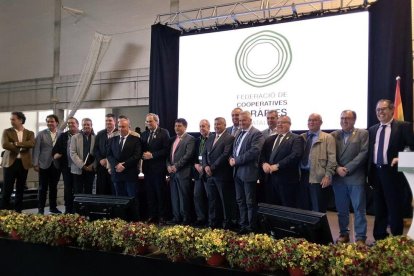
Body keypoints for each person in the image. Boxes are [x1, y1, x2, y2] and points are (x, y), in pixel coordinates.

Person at [368, 99, 414, 240]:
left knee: (394, 208)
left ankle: (396, 240)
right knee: (379, 207)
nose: (380, 112)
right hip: (376, 172)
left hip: (393, 173)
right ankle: (380, 237)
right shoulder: (373, 129)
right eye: (378, 110)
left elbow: (412, 147)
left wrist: (402, 158)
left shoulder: (403, 126)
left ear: (392, 110)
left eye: (383, 109)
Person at [331, 110, 368, 244]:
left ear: (354, 120)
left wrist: (347, 169)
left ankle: (360, 237)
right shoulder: (334, 135)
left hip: (355, 177)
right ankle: (344, 234)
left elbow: (363, 153)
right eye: (342, 118)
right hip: (338, 178)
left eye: (347, 118)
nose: (344, 121)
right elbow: (330, 155)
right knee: (341, 210)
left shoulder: (363, 133)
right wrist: (337, 168)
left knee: (359, 210)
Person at [229, 111, 265, 233]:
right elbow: (234, 150)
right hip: (237, 172)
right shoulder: (239, 132)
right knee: (240, 201)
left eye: (244, 120)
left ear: (250, 120)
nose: (241, 122)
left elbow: (254, 152)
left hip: (249, 173)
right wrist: (231, 159)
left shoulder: (257, 134)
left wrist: (236, 160)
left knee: (250, 202)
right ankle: (243, 225)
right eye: (239, 121)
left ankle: (251, 227)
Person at [260, 116, 303, 207]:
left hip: (286, 181)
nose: (279, 124)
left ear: (289, 124)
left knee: (287, 209)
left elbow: (295, 155)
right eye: (278, 122)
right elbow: (262, 154)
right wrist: (264, 163)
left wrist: (278, 165)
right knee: (272, 208)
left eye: (283, 122)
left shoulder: (296, 138)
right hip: (270, 180)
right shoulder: (270, 139)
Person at [203, 117, 236, 229]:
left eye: (219, 124)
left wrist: (212, 167)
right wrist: (205, 166)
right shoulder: (211, 137)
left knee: (224, 201)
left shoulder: (229, 138)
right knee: (212, 200)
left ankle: (227, 224)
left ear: (225, 125)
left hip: (222, 175)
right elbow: (204, 154)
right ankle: (213, 223)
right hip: (210, 175)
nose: (216, 126)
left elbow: (225, 155)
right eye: (215, 124)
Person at [299, 113, 336, 212]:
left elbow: (332, 159)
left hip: (318, 178)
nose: (311, 122)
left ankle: (319, 228)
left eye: (314, 120)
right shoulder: (301, 137)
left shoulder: (328, 138)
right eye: (309, 120)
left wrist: (328, 175)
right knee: (304, 209)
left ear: (321, 123)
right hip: (301, 176)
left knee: (318, 209)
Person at [1, 111, 35, 212]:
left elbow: (32, 143)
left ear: (20, 120)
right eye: (11, 119)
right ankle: (4, 211)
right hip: (10, 163)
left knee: (21, 189)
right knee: (7, 189)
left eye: (13, 119)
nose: (11, 121)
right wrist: (21, 147)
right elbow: (5, 145)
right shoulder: (7, 131)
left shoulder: (30, 133)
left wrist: (16, 143)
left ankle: (18, 211)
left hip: (23, 163)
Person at [141, 113, 170, 224]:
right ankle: (152, 215)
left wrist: (152, 155)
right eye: (147, 121)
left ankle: (162, 216)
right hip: (147, 170)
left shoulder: (164, 133)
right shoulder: (144, 134)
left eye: (150, 121)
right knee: (150, 194)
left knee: (160, 193)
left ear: (156, 122)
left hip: (159, 169)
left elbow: (166, 150)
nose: (148, 123)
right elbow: (140, 150)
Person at [167, 118, 195, 225]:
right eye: (175, 126)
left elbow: (187, 156)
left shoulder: (190, 139)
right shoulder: (173, 139)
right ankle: (176, 217)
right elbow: (169, 156)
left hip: (183, 173)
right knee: (175, 197)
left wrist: (176, 166)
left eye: (179, 126)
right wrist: (169, 166)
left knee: (184, 197)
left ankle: (185, 219)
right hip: (173, 173)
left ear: (185, 127)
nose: (176, 128)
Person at [33, 114, 62, 214]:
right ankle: (40, 209)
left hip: (56, 164)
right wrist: (35, 163)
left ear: (56, 123)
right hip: (43, 164)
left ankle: (53, 208)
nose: (49, 123)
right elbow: (36, 149)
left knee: (53, 188)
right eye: (48, 121)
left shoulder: (61, 134)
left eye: (52, 121)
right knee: (42, 188)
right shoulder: (41, 134)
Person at [107, 117, 142, 197]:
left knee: (132, 199)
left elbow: (137, 156)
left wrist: (124, 165)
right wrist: (116, 165)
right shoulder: (112, 140)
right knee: (119, 200)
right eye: (119, 127)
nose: (121, 129)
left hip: (130, 174)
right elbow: (109, 155)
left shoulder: (136, 139)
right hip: (117, 174)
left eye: (123, 127)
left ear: (129, 127)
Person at [52, 117, 80, 213]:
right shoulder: (63, 136)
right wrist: (56, 154)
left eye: (73, 123)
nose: (70, 125)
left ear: (77, 124)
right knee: (67, 189)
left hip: (78, 167)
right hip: (66, 167)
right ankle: (68, 209)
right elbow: (55, 150)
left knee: (77, 189)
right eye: (69, 123)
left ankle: (77, 210)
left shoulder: (82, 135)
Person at [192, 119, 213, 226]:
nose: (201, 128)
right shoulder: (197, 140)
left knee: (210, 197)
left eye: (204, 126)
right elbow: (193, 155)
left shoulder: (213, 138)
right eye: (200, 126)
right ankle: (201, 218)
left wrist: (204, 166)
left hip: (208, 172)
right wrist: (196, 164)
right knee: (197, 195)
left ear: (209, 127)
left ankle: (210, 220)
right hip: (198, 172)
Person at [70, 118, 96, 194]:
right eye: (84, 124)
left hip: (91, 169)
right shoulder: (74, 137)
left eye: (88, 124)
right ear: (81, 126)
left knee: (89, 191)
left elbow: (98, 153)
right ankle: (78, 206)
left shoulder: (96, 138)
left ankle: (88, 206)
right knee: (78, 191)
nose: (86, 126)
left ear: (91, 126)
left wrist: (93, 165)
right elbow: (72, 153)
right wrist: (82, 165)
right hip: (78, 169)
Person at [94, 113, 117, 195]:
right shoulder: (100, 134)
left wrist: (108, 160)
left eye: (110, 120)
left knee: (113, 190)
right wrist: (100, 160)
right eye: (106, 121)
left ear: (115, 121)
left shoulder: (118, 133)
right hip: (102, 167)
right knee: (102, 189)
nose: (108, 122)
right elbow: (96, 149)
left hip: (114, 166)